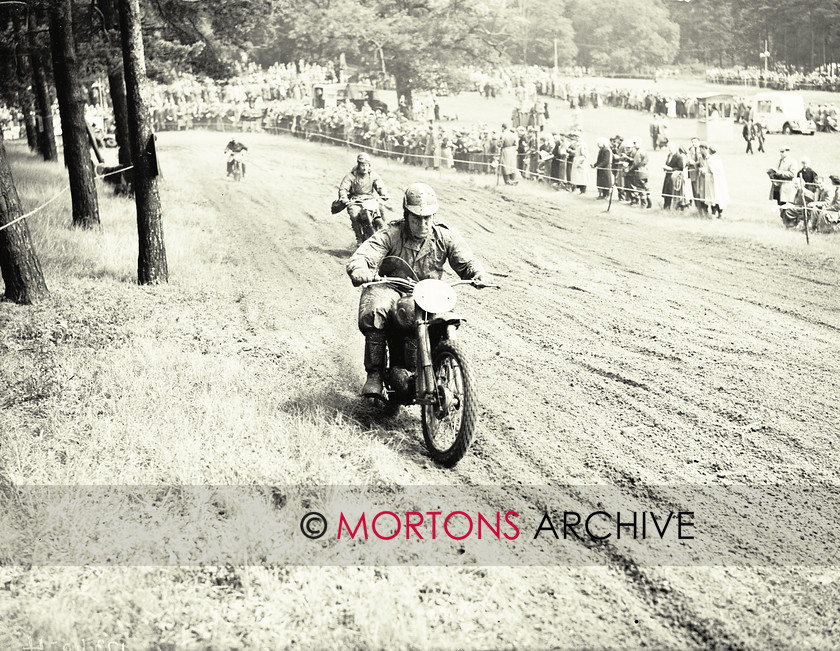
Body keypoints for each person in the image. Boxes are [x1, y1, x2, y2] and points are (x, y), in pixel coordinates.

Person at [346, 183, 491, 398]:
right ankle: (375, 375)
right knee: (375, 309)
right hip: (392, 287)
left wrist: (478, 273)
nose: (423, 223)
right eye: (417, 218)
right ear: (406, 214)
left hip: (429, 292)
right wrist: (360, 269)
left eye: (428, 218)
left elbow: (467, 261)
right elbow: (364, 255)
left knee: (445, 319)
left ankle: (444, 364)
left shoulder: (444, 236)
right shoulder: (391, 234)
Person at [338, 153, 390, 244]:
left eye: (366, 165)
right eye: (362, 165)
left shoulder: (373, 175)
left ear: (369, 165)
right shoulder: (351, 176)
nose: (365, 167)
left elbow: (380, 186)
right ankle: (359, 237)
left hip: (370, 199)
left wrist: (384, 194)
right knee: (354, 214)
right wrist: (344, 198)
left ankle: (384, 231)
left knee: (381, 208)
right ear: (358, 165)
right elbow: (343, 189)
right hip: (356, 200)